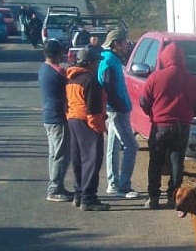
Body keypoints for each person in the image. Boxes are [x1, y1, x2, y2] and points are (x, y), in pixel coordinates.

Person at [139, 42, 196, 209]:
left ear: (164, 58)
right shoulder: (193, 80)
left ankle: (153, 197)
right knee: (177, 163)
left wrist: (152, 114)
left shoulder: (155, 77)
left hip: (160, 125)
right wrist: (189, 115)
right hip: (182, 126)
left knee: (155, 162)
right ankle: (173, 197)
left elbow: (144, 101)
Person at [66, 45, 109, 212]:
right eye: (97, 61)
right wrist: (97, 127)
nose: (98, 64)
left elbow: (67, 102)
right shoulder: (90, 80)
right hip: (86, 121)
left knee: (78, 158)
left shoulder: (71, 78)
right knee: (92, 159)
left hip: (73, 119)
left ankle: (79, 193)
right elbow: (93, 108)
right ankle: (88, 198)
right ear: (90, 62)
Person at [99, 29, 139, 198]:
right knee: (131, 145)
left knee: (113, 147)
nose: (126, 45)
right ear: (116, 44)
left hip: (115, 109)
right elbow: (108, 89)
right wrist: (120, 107)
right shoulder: (109, 63)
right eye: (124, 42)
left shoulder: (111, 60)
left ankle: (113, 183)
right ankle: (124, 186)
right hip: (116, 110)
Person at [39, 39, 73, 202]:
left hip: (49, 116)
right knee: (61, 155)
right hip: (58, 117)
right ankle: (55, 188)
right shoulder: (59, 72)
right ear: (57, 54)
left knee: (54, 153)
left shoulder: (43, 69)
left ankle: (55, 185)